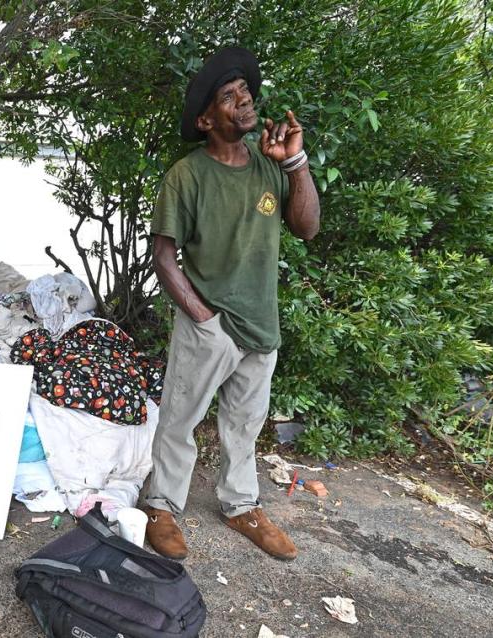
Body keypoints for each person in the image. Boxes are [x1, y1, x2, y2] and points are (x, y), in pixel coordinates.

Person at [143, 46, 320, 561]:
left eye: (244, 90)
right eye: (228, 95)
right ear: (205, 119)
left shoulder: (270, 169)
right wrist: (203, 319)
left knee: (245, 424)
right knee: (180, 419)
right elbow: (164, 255)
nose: (244, 100)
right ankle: (161, 504)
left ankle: (241, 505)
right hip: (210, 325)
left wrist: (295, 164)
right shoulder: (187, 175)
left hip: (260, 325)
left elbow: (307, 228)